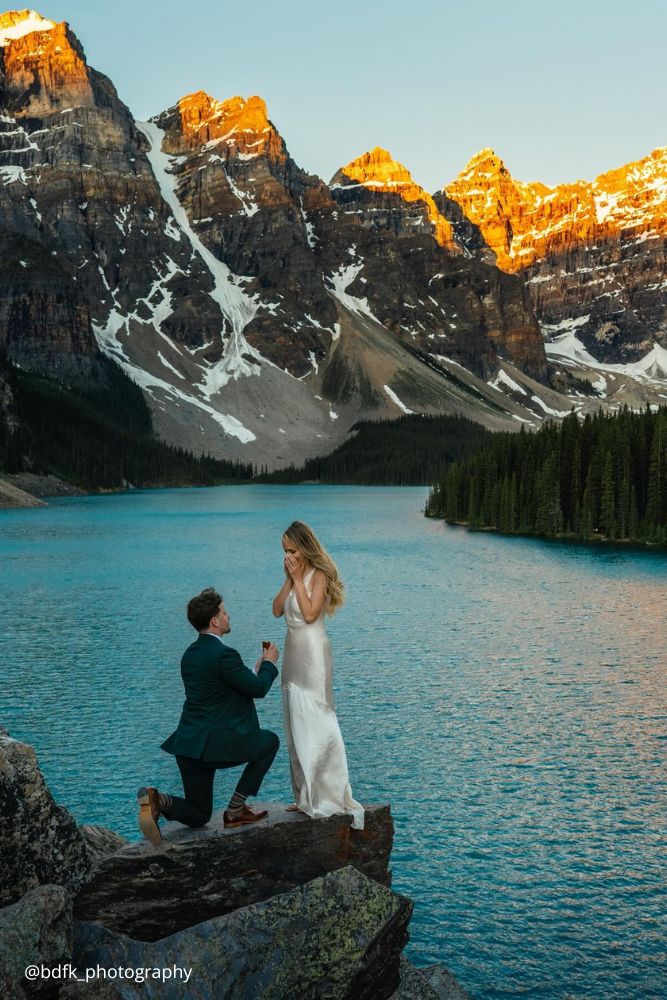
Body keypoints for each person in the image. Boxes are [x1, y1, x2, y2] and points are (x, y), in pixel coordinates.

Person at [137, 587, 280, 844]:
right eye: (225, 613)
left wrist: (252, 670)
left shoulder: (190, 654)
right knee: (269, 742)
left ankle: (159, 800)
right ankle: (236, 809)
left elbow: (217, 686)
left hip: (189, 746)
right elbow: (258, 689)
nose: (229, 617)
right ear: (214, 620)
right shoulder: (225, 654)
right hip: (215, 746)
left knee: (199, 813)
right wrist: (269, 664)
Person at [272, 521, 364, 830]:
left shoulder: (320, 575)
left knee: (318, 718)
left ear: (305, 547)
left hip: (313, 652)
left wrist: (299, 578)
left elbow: (310, 613)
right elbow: (275, 610)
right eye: (284, 551)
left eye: (292, 550)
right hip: (292, 652)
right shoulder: (292, 575)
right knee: (294, 721)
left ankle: (326, 794)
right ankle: (303, 796)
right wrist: (289, 579)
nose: (288, 555)